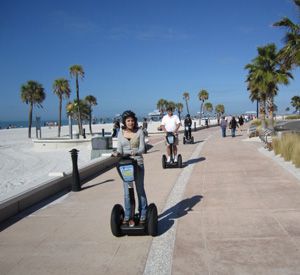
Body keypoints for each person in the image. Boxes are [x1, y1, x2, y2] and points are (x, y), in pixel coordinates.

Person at [112, 110, 148, 227]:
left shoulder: (140, 132)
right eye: (128, 120)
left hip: (137, 164)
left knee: (139, 190)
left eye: (132, 120)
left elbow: (143, 148)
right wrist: (117, 153)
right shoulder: (120, 133)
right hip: (125, 165)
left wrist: (134, 152)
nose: (131, 122)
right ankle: (128, 215)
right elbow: (119, 149)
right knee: (127, 192)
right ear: (124, 122)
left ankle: (143, 213)